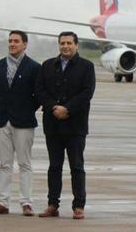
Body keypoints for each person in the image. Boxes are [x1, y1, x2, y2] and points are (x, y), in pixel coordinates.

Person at [35, 31, 95, 220]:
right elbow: (39, 90)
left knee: (77, 166)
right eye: (62, 43)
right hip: (52, 124)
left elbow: (87, 93)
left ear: (76, 45)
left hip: (75, 126)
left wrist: (67, 109)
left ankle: (78, 206)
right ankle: (52, 204)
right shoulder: (47, 66)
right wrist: (54, 107)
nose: (65, 46)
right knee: (54, 166)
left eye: (69, 43)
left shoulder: (86, 66)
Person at [0, 30, 41, 216]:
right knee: (5, 164)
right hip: (3, 120)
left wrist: (24, 109)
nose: (12, 44)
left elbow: (38, 96)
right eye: (10, 41)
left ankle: (26, 202)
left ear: (25, 44)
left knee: (25, 163)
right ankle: (2, 202)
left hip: (24, 121)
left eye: (16, 41)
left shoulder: (33, 67)